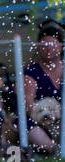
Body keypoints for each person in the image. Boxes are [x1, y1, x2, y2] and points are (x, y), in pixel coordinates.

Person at [24, 24, 63, 153]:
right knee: (27, 124)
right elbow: (29, 105)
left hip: (61, 118)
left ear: (61, 46)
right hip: (39, 120)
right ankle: (53, 150)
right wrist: (45, 119)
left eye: (52, 45)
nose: (48, 49)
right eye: (44, 46)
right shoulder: (31, 72)